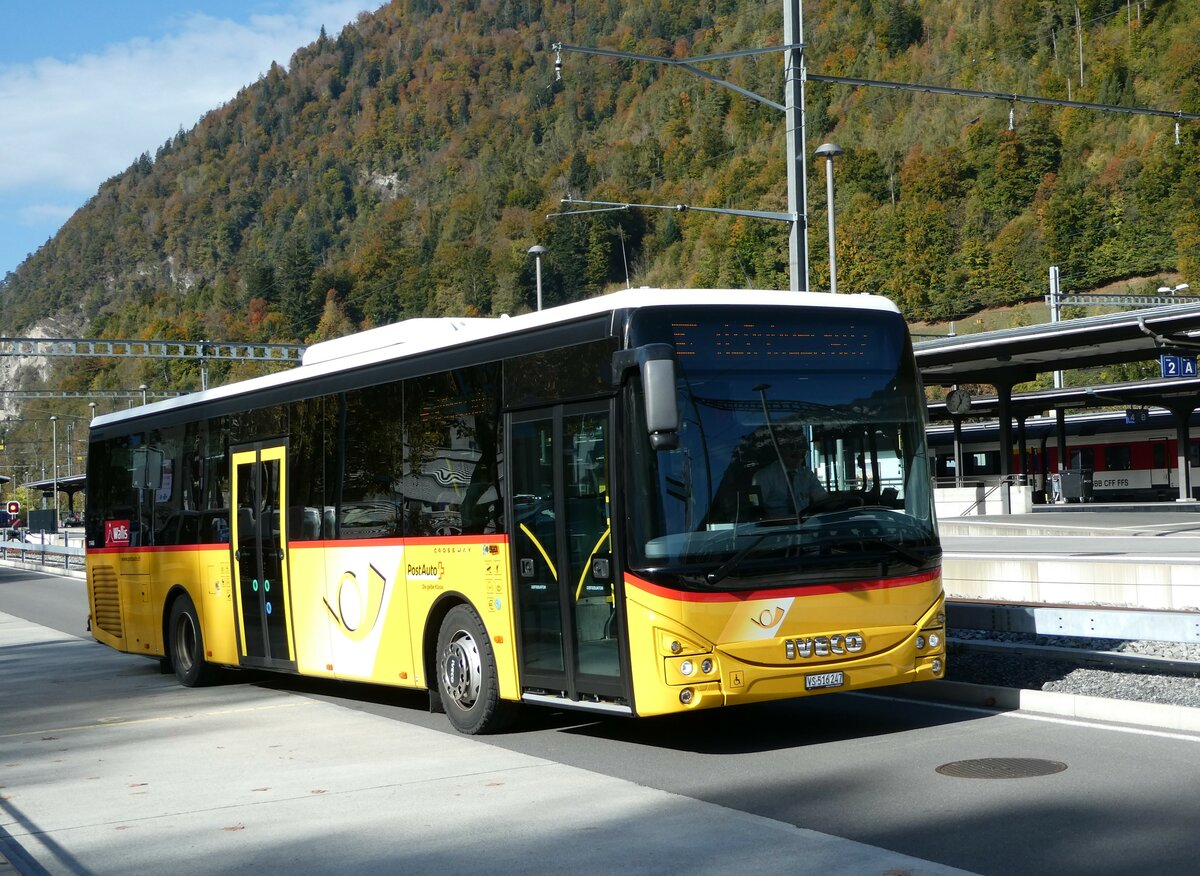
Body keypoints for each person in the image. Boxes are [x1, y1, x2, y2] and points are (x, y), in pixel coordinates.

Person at [754, 436, 827, 517]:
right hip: (773, 526)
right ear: (782, 453)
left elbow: (822, 499)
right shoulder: (764, 476)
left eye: (803, 455)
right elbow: (756, 511)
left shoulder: (807, 474)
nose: (799, 459)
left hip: (804, 524)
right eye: (794, 455)